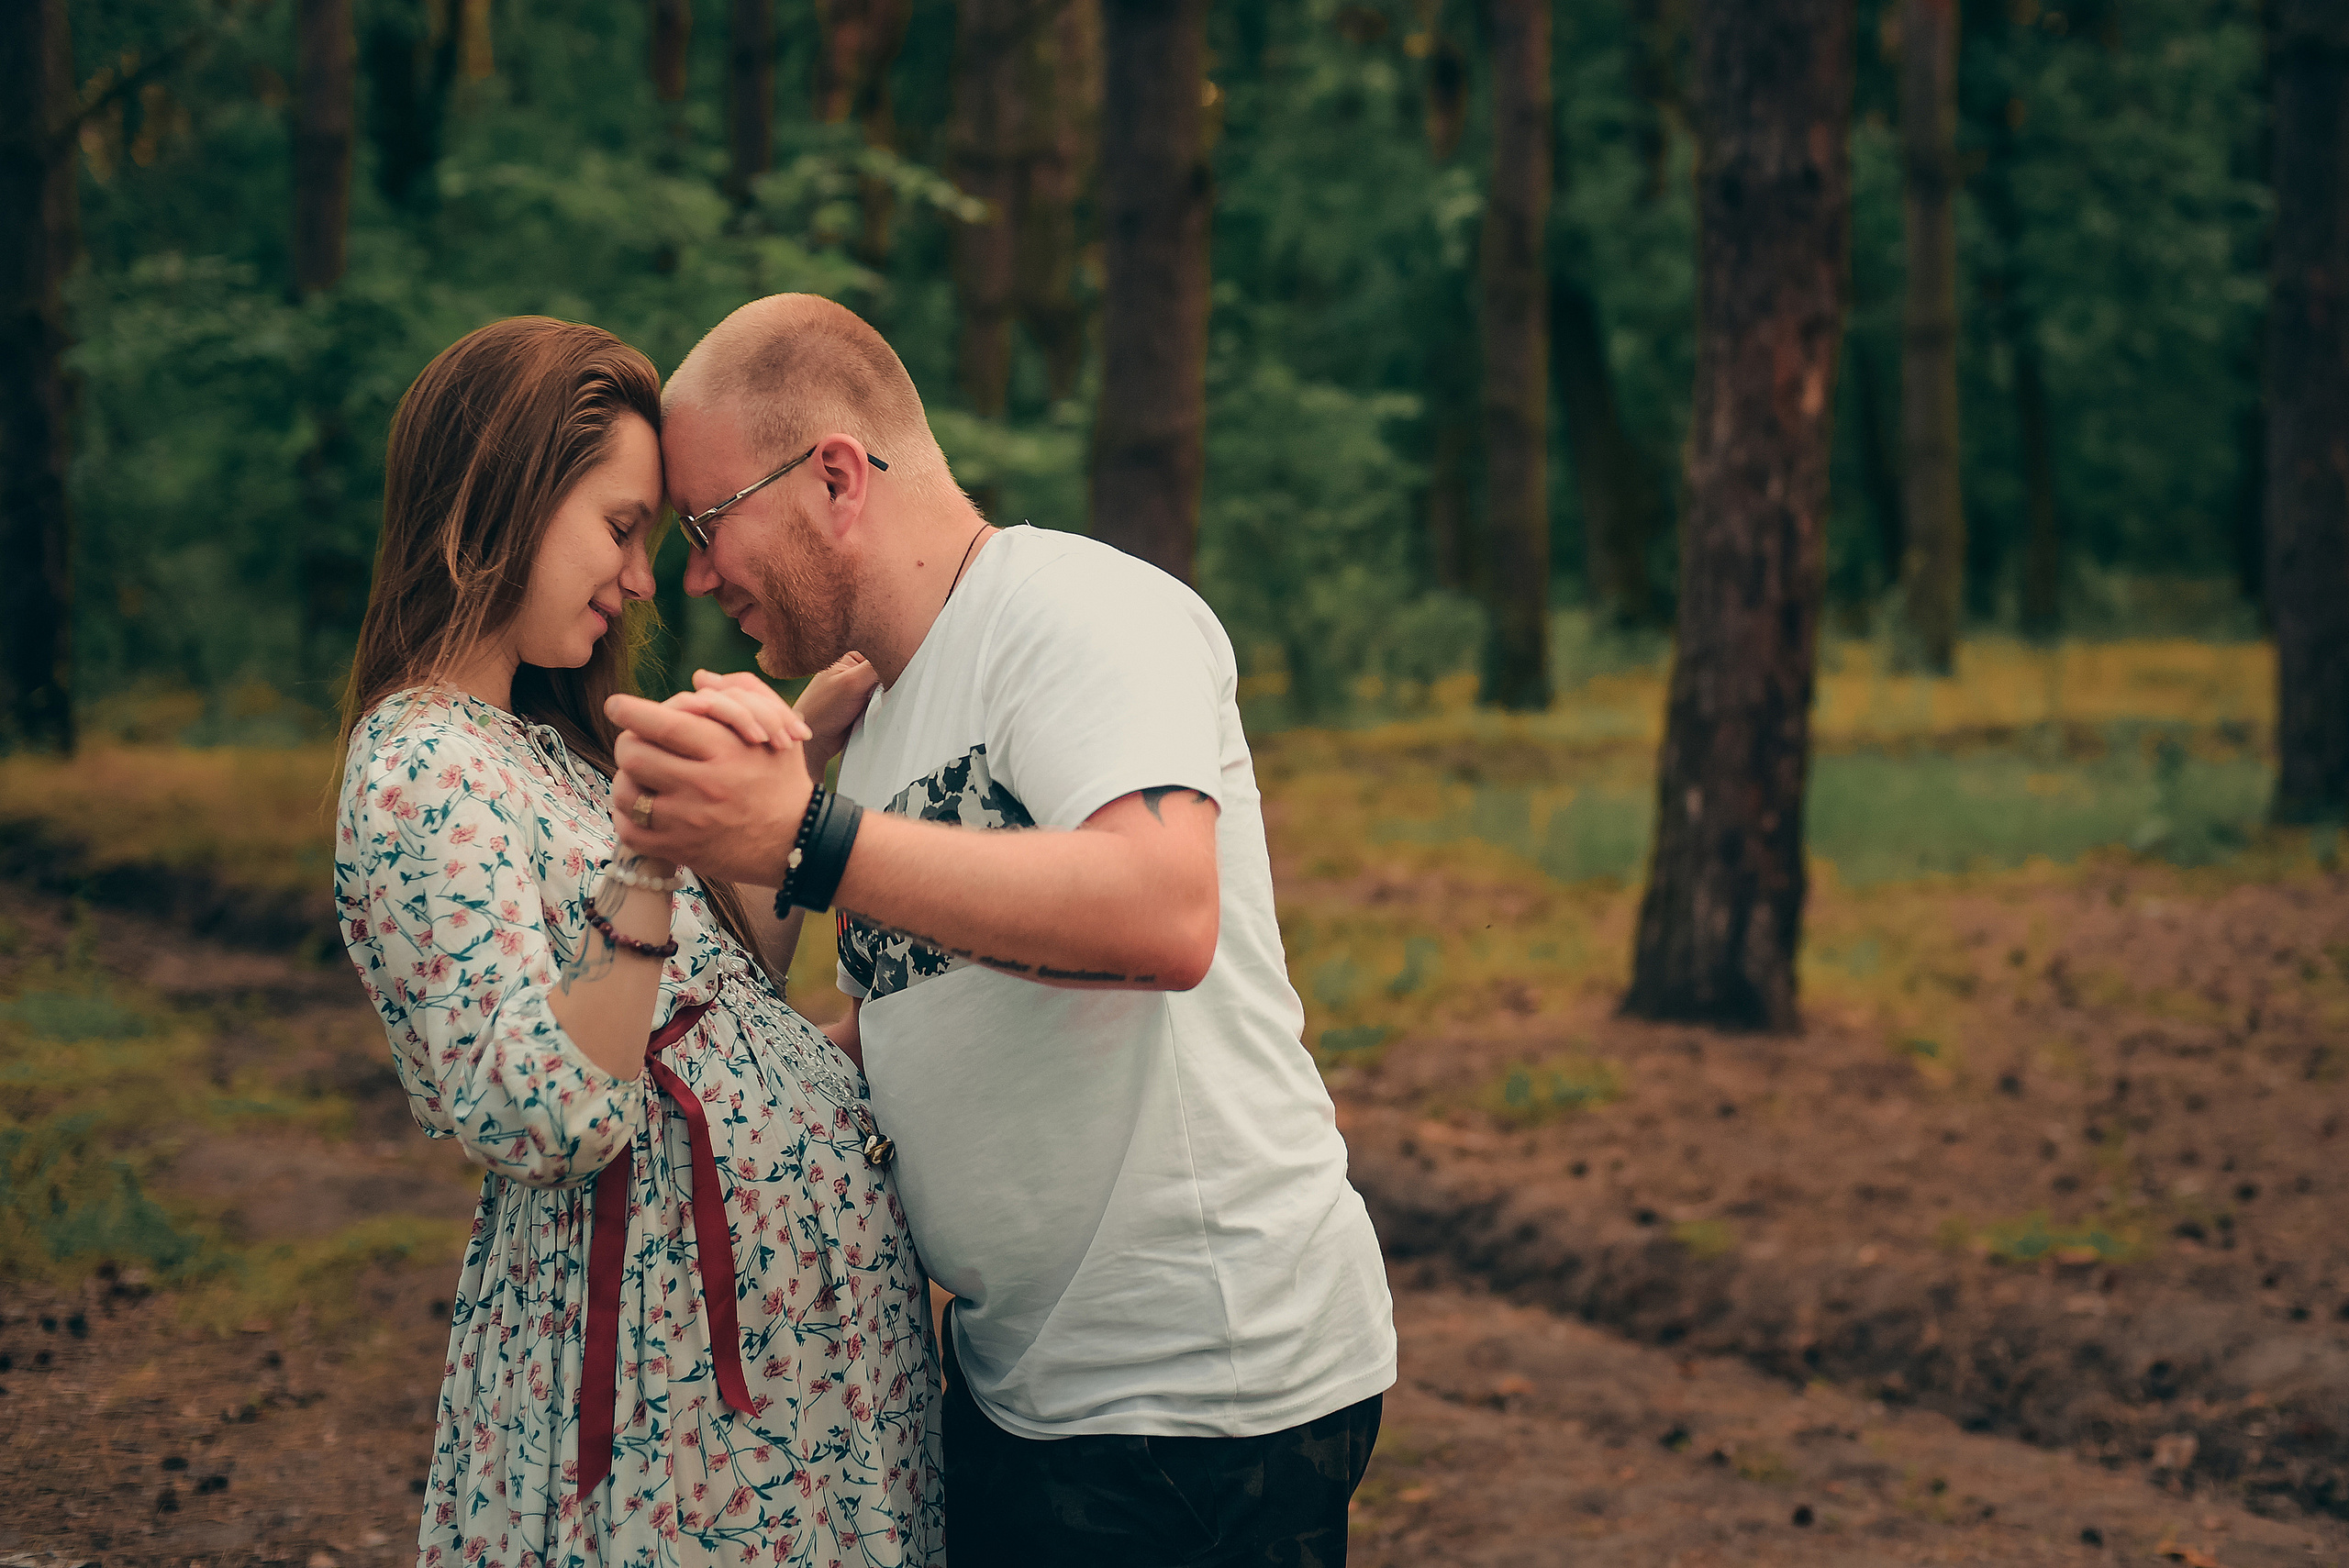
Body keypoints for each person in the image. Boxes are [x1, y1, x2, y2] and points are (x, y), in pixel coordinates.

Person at [605, 294, 1396, 1567]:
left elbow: (1163, 908)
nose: (695, 575)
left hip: (1199, 1401)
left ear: (837, 478)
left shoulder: (1077, 614)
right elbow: (921, 994)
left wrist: (808, 834)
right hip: (1019, 1386)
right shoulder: (880, 708)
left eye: (706, 525)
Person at [331, 316, 943, 1568]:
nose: (644, 578)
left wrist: (803, 745)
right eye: (620, 529)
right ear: (496, 502)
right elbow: (543, 1110)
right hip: (653, 1369)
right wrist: (653, 852)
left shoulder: (543, 746)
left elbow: (713, 1002)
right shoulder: (415, 766)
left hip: (779, 1375)